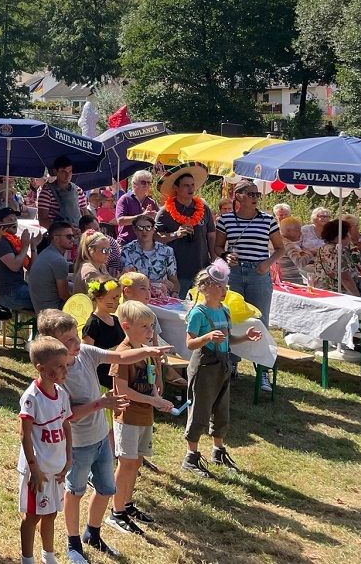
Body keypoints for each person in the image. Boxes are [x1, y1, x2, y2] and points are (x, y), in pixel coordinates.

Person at [36, 310, 168, 564]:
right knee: (75, 492)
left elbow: (118, 355)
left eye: (76, 337)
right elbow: (67, 416)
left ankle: (92, 534)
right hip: (78, 445)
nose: (77, 344)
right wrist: (101, 403)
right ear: (52, 346)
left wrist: (148, 352)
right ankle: (73, 542)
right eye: (69, 341)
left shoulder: (85, 353)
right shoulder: (56, 376)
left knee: (107, 489)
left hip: (100, 440)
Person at [181, 261, 264, 478]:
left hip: (223, 364)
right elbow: (190, 344)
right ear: (204, 287)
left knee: (221, 409)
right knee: (200, 408)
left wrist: (246, 336)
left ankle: (218, 450)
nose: (224, 290)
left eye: (225, 286)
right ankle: (191, 456)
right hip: (204, 366)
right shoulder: (198, 313)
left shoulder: (225, 311)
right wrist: (207, 337)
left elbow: (229, 338)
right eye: (219, 286)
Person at [106, 301, 172, 537]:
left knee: (136, 462)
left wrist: (157, 398)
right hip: (128, 417)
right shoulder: (122, 354)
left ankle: (128, 503)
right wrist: (153, 401)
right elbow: (122, 391)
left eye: (151, 326)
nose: (150, 331)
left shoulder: (146, 351)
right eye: (144, 326)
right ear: (127, 326)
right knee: (125, 463)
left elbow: (151, 383)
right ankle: (116, 512)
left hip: (145, 415)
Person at [210, 179, 283, 393]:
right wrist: (225, 256)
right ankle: (231, 364)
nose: (255, 198)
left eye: (256, 194)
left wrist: (268, 263)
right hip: (233, 273)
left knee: (260, 321)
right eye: (250, 194)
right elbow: (217, 246)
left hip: (258, 273)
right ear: (238, 196)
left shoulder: (268, 220)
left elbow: (280, 248)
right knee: (230, 318)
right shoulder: (226, 220)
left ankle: (263, 371)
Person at [17, 336, 72, 564]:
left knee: (51, 513)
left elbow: (66, 425)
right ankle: (27, 558)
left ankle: (48, 556)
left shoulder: (62, 394)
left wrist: (68, 458)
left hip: (56, 469)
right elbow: (24, 434)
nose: (64, 371)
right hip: (37, 470)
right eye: (59, 367)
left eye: (66, 365)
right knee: (32, 516)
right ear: (41, 368)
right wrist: (34, 468)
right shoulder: (32, 398)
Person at [154, 164, 214, 300]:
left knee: (202, 305)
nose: (191, 188)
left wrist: (214, 259)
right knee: (176, 306)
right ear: (176, 188)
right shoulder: (165, 212)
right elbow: (156, 237)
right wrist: (175, 234)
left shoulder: (203, 208)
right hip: (176, 272)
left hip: (201, 268)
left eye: (192, 185)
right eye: (186, 185)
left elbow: (211, 235)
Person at [0, 206, 40, 316]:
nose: (14, 223)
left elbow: (32, 268)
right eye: (10, 220)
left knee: (50, 296)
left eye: (15, 220)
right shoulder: (0, 240)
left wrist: (33, 246)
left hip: (18, 288)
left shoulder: (14, 241)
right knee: (49, 299)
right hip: (8, 293)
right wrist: (25, 246)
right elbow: (14, 266)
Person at [82, 280, 125, 390]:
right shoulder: (93, 324)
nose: (118, 302)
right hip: (102, 378)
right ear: (99, 298)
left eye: (118, 298)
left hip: (118, 371)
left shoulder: (115, 320)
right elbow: (87, 355)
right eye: (114, 298)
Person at [120, 217, 178, 296]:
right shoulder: (127, 251)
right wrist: (156, 283)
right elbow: (127, 280)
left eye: (148, 227)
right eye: (140, 228)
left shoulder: (167, 251)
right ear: (134, 230)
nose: (144, 231)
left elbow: (174, 280)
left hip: (162, 300)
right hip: (138, 299)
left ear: (153, 229)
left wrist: (175, 292)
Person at [28, 222, 75, 313]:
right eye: (69, 236)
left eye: (73, 236)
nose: (72, 239)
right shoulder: (58, 261)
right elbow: (64, 295)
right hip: (53, 312)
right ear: (56, 238)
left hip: (41, 307)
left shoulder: (47, 252)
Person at [37, 156, 89, 229]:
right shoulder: (46, 192)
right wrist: (65, 230)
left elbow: (86, 216)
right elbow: (42, 220)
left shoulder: (78, 190)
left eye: (70, 172)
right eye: (63, 172)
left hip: (78, 234)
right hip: (58, 236)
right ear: (55, 172)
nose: (67, 176)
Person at [311, 219, 360, 295]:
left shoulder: (325, 248)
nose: (349, 236)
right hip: (338, 293)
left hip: (325, 291)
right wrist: (358, 296)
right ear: (340, 236)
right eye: (347, 233)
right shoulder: (335, 250)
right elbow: (344, 277)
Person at [114, 171, 158, 246]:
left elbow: (157, 222)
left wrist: (155, 216)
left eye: (149, 183)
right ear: (134, 184)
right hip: (126, 243)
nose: (146, 185)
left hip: (145, 245)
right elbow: (120, 221)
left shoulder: (151, 202)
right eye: (143, 182)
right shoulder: (125, 199)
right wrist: (142, 217)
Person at [72, 232, 112, 296]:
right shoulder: (90, 272)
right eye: (104, 250)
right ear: (91, 250)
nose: (108, 254)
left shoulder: (101, 266)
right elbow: (102, 297)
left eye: (109, 250)